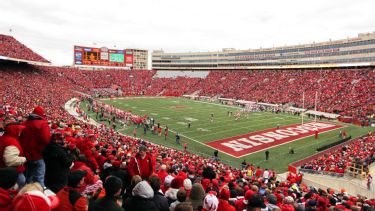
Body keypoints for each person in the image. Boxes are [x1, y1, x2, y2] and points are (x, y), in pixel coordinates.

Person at [19, 106, 51, 188]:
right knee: (39, 179)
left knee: (28, 177)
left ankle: (26, 193)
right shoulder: (43, 124)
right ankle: (40, 197)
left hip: (25, 155)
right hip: (37, 155)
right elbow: (46, 139)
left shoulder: (24, 123)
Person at [0, 122, 27, 188]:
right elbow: (10, 160)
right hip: (13, 172)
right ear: (15, 130)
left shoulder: (4, 138)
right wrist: (24, 159)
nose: (21, 132)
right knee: (21, 184)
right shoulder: (11, 141)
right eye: (19, 130)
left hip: (4, 169)